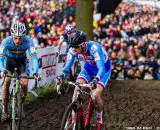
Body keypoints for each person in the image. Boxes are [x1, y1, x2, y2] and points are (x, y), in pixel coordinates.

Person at [56, 30, 111, 129]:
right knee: (77, 87)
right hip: (88, 68)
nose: (73, 49)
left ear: (83, 45)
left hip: (103, 70)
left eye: (76, 47)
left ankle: (99, 118)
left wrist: (95, 80)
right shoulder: (73, 49)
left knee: (95, 94)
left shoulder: (94, 48)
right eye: (72, 46)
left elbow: (101, 68)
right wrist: (61, 76)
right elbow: (67, 67)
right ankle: (72, 118)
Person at [0, 22, 41, 122]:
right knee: (6, 82)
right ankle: (5, 110)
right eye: (16, 38)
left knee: (24, 82)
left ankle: (20, 105)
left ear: (24, 36)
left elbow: (34, 58)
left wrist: (35, 72)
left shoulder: (28, 42)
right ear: (12, 35)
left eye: (20, 38)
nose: (18, 41)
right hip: (9, 62)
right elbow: (1, 58)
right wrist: (2, 70)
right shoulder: (6, 41)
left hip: (22, 63)